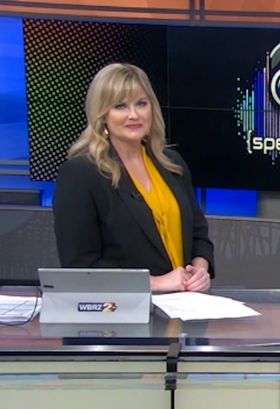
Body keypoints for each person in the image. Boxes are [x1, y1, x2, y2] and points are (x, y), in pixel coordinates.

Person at [53, 63, 214, 293]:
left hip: (184, 304)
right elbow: (80, 267)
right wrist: (157, 283)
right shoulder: (81, 173)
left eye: (141, 103)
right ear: (102, 115)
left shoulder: (172, 164)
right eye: (120, 106)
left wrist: (200, 271)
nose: (134, 115)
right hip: (124, 310)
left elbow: (199, 235)